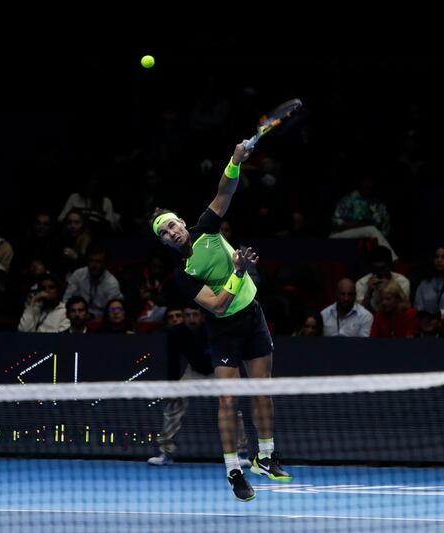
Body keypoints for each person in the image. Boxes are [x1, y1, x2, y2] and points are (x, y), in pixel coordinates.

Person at [150, 140, 291, 502]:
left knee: (263, 388)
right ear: (164, 242)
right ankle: (234, 470)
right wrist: (239, 271)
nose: (171, 233)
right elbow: (216, 304)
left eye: (171, 226)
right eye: (163, 234)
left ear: (181, 222)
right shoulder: (182, 274)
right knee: (228, 400)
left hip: (253, 315)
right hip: (225, 329)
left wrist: (234, 160)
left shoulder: (208, 228)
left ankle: (265, 455)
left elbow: (224, 191)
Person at [148, 302, 250, 468]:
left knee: (231, 405)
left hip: (218, 369)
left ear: (202, 316)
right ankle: (165, 452)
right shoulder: (176, 333)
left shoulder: (214, 329)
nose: (191, 319)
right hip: (194, 371)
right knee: (173, 404)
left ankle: (241, 452)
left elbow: (230, 353)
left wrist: (230, 377)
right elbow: (173, 362)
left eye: (195, 315)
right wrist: (172, 389)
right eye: (187, 315)